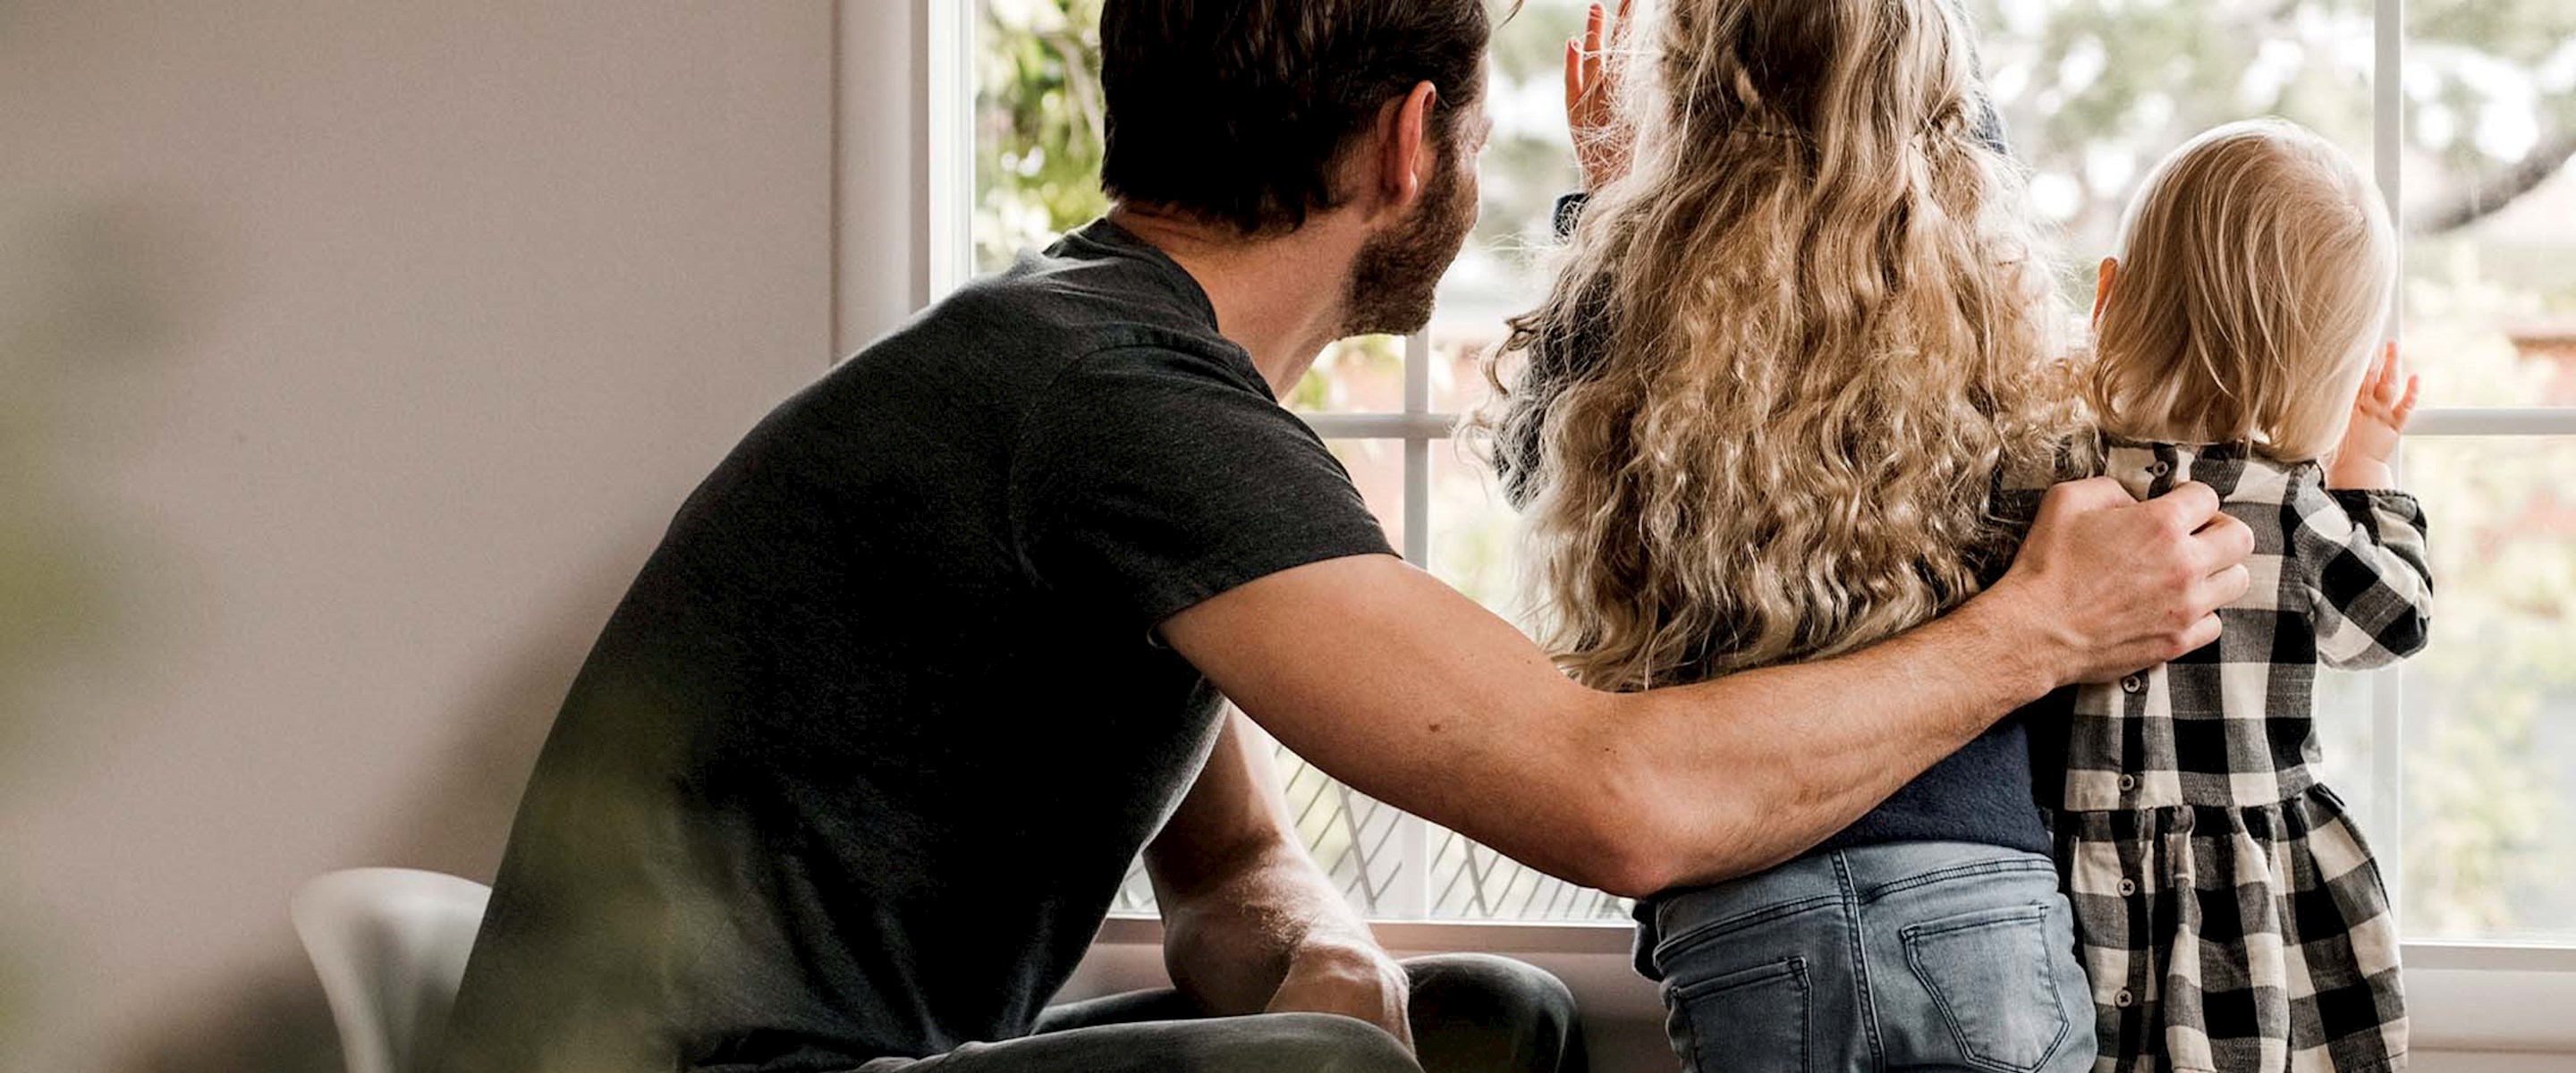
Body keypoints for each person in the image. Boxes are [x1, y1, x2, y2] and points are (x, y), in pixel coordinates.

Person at [432, 2, 2255, 1071]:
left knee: (1490, 1017)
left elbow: (1227, 876)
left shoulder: (1093, 372)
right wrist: (2042, 627)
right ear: (1408, 146)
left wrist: (1333, 972)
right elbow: (1615, 793)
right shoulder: (1116, 405)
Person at [1489, 1, 2100, 1069]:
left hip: (1741, 907)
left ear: (1683, 82)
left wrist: (1609, 191)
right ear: (1942, 92)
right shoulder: (1989, 305)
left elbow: (1529, 463)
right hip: (1980, 889)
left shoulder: (1636, 287)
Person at [2059, 118, 2428, 1073]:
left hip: (2066, 886)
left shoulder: (2056, 483)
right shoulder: (2295, 509)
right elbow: (2392, 626)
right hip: (2247, 899)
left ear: (2109, 297)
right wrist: (2367, 471)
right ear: (2331, 373)